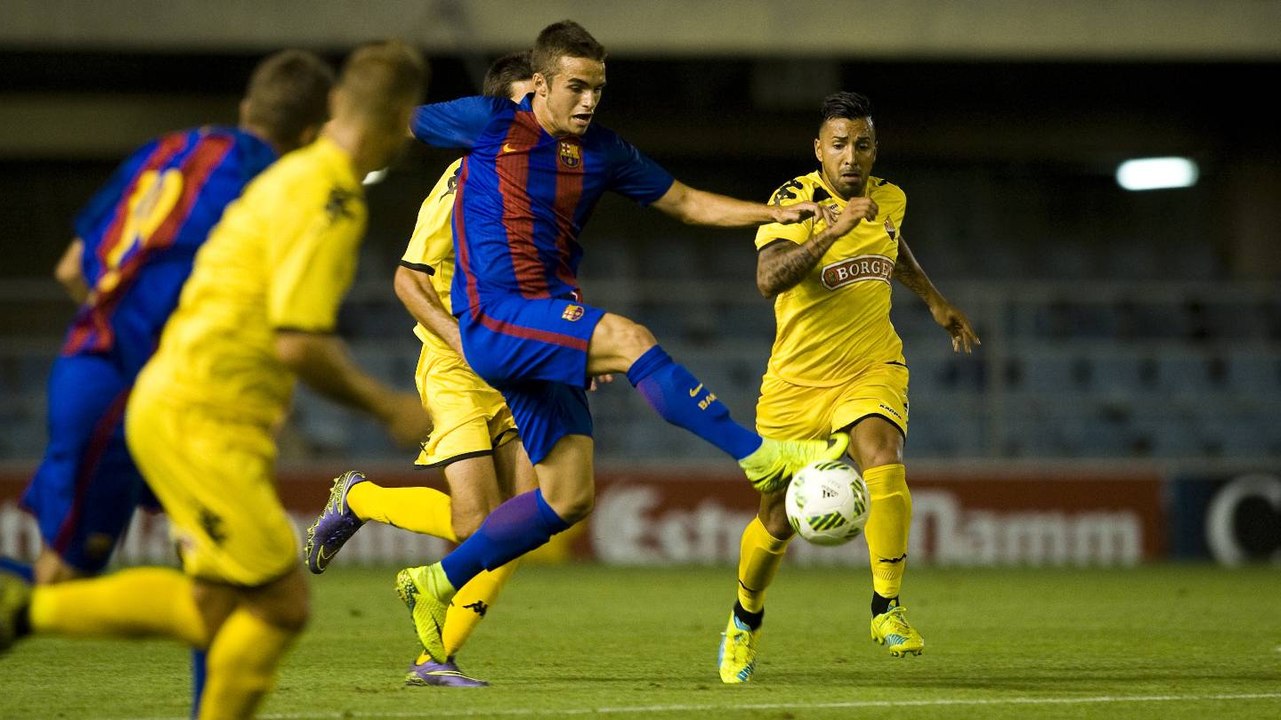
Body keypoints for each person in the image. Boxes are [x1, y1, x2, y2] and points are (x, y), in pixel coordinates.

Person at [391, 19, 850, 670]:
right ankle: (758, 458)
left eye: (597, 90)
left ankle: (433, 583)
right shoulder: (491, 121)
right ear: (542, 84)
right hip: (496, 315)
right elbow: (400, 123)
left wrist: (771, 213)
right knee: (629, 338)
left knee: (567, 498)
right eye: (575, 87)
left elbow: (687, 203)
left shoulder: (603, 151)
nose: (587, 102)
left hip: (542, 319)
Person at [0, 40, 430, 720]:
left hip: (148, 386)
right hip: (192, 410)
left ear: (336, 106)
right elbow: (299, 342)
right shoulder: (323, 196)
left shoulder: (240, 166)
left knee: (214, 606)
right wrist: (389, 407)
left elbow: (77, 265)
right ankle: (23, 608)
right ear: (400, 119)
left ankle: (27, 610)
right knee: (280, 603)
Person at [716, 91, 980, 684]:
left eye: (861, 144)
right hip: (796, 383)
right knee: (776, 519)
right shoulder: (793, 201)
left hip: (871, 364)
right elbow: (768, 279)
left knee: (882, 453)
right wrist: (830, 232)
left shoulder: (890, 199)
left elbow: (893, 246)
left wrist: (934, 299)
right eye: (838, 144)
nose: (850, 155)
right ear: (819, 150)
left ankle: (886, 606)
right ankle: (743, 620)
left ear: (874, 148)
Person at [302, 50, 539, 689]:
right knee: (475, 525)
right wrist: (469, 346)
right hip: (458, 365)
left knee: (533, 515)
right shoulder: (464, 179)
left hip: (520, 369)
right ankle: (361, 498)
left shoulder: (546, 186)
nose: (528, 118)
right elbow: (410, 279)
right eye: (515, 106)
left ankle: (434, 660)